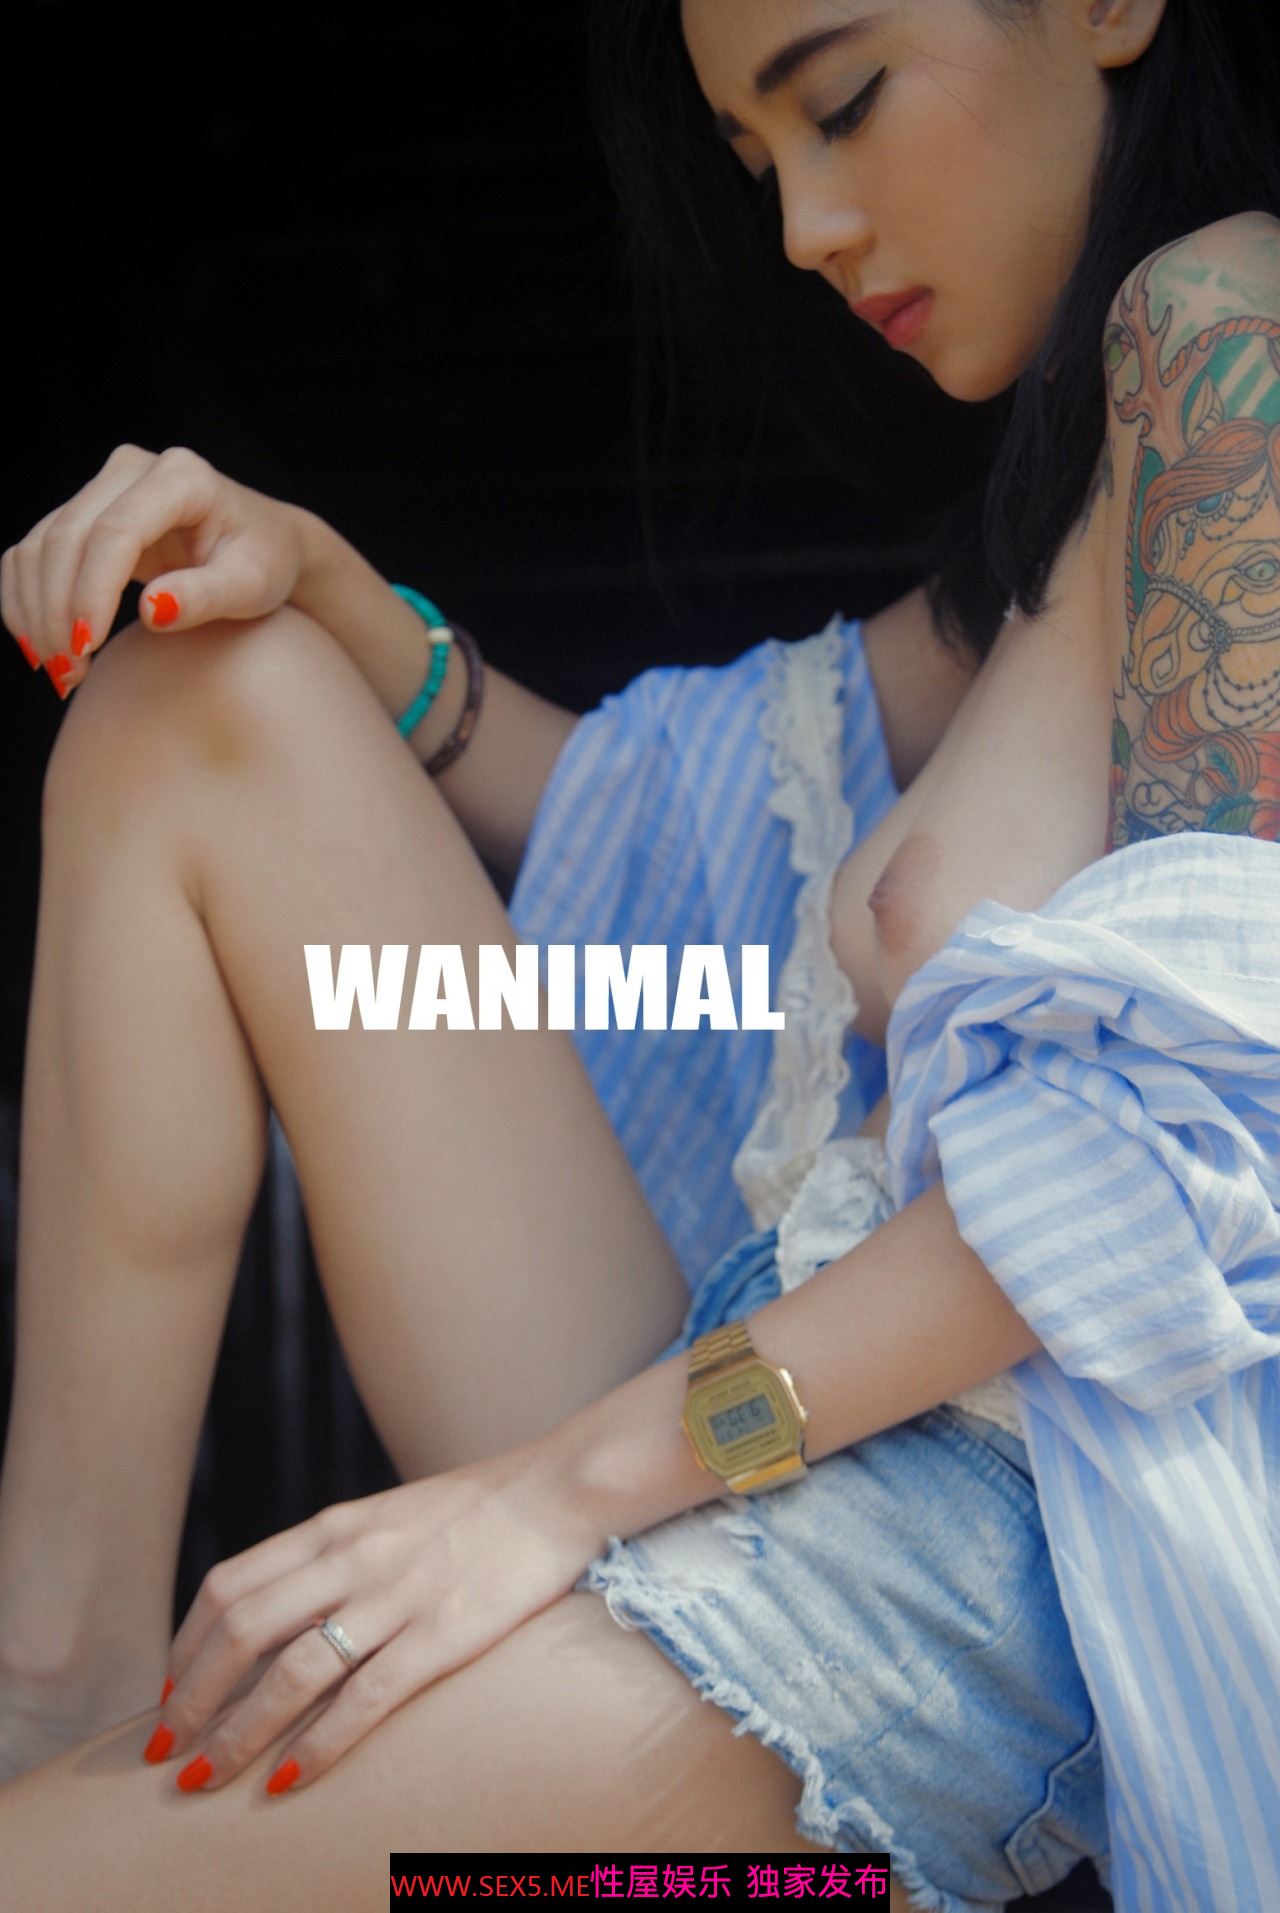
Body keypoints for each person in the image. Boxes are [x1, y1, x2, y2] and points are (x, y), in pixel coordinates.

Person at [0, 1, 1277, 1906]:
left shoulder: (1229, 327)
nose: (807, 231)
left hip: (903, 1619)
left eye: (843, 101)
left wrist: (543, 1495)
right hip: (758, 1442)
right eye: (760, 164)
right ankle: (51, 1677)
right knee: (198, 704)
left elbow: (1165, 1159)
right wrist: (329, 584)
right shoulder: (1073, 505)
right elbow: (682, 812)